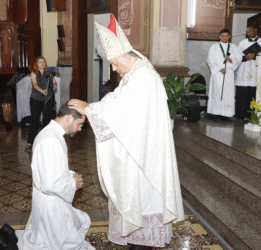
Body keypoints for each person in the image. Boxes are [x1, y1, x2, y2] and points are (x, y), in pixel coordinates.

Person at [69, 14, 184, 249]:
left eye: (114, 62)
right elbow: (117, 101)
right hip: (136, 153)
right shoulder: (135, 75)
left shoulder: (144, 78)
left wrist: (90, 108)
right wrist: (95, 107)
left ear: (126, 55)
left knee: (141, 209)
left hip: (143, 160)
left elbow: (124, 112)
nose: (113, 67)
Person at [16, 103, 94, 250]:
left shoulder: (52, 134)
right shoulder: (50, 140)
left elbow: (51, 170)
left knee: (78, 223)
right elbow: (48, 183)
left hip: (50, 200)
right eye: (80, 124)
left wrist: (71, 176)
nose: (80, 128)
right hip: (50, 204)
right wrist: (72, 183)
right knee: (61, 242)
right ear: (69, 118)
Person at [235, 24, 261, 119]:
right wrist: (245, 58)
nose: (248, 33)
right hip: (244, 71)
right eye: (247, 32)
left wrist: (254, 57)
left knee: (253, 94)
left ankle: (253, 115)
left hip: (256, 71)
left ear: (255, 30)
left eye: (250, 31)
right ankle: (241, 114)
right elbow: (237, 57)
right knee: (242, 94)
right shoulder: (242, 43)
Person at [206, 28, 242, 120]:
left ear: (229, 37)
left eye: (227, 36)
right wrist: (218, 69)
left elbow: (239, 59)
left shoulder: (234, 47)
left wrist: (231, 61)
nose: (225, 38)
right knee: (217, 93)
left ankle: (226, 114)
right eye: (223, 36)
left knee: (228, 94)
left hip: (229, 73)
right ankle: (215, 113)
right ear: (219, 36)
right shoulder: (214, 47)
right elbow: (210, 60)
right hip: (217, 74)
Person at [26, 56, 57, 151]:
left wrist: (54, 87)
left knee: (46, 121)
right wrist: (42, 91)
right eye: (40, 62)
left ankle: (43, 140)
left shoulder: (49, 73)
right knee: (35, 121)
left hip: (46, 101)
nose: (42, 64)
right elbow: (35, 84)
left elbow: (54, 83)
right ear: (37, 64)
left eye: (43, 62)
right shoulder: (34, 73)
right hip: (35, 100)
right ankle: (29, 142)